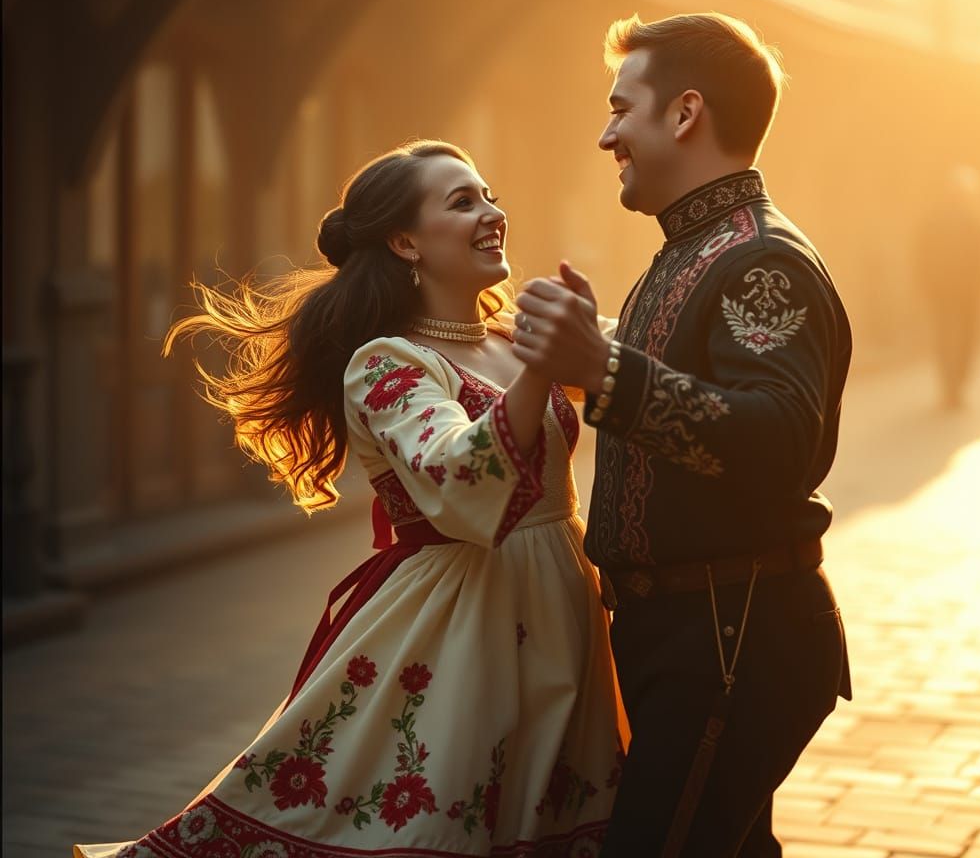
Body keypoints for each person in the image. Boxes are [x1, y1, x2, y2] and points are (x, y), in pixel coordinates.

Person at [74, 140, 624, 858]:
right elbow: (459, 478)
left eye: (489, 195)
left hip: (559, 600)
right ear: (405, 242)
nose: (493, 213)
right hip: (458, 623)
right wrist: (542, 370)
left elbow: (642, 352)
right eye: (463, 202)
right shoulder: (387, 361)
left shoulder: (515, 338)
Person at [513, 13, 853, 857]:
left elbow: (780, 444)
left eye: (621, 109)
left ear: (685, 113)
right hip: (691, 635)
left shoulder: (760, 260)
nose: (606, 135)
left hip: (730, 637)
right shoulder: (689, 250)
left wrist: (605, 368)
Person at [912, 163, 980, 410]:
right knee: (963, 337)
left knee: (945, 336)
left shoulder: (934, 218)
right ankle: (956, 386)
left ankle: (950, 387)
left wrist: (925, 284)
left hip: (941, 290)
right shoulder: (970, 220)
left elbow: (921, 254)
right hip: (964, 291)